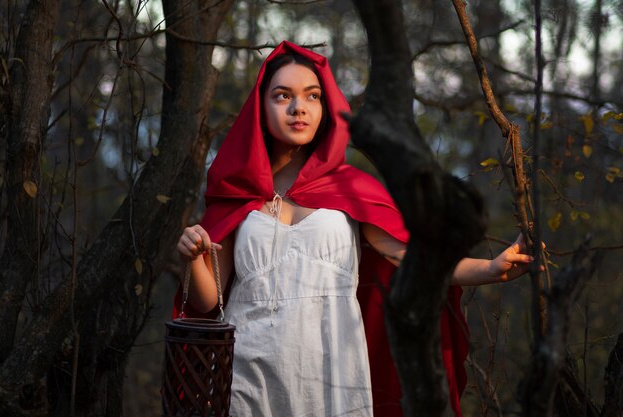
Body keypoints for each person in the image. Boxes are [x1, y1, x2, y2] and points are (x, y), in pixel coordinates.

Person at [174, 41, 537, 417]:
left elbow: (412, 260)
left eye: (311, 96)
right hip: (247, 364)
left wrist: (491, 269)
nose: (298, 107)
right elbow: (206, 302)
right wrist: (192, 259)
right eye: (282, 96)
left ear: (325, 107)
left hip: (332, 366)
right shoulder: (239, 193)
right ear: (260, 108)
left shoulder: (352, 188)